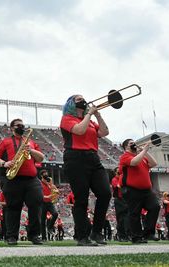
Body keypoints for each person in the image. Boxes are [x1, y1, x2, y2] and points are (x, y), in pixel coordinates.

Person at [60, 95, 111, 246]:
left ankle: (96, 231)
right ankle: (82, 236)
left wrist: (97, 114)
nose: (83, 100)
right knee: (81, 199)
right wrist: (89, 114)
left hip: (93, 158)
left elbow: (104, 132)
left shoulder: (91, 121)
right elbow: (80, 131)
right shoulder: (67, 119)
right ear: (71, 103)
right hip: (75, 158)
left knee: (105, 193)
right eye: (79, 99)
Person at [0, 118, 44, 245]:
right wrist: (5, 163)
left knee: (36, 205)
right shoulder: (6, 141)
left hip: (32, 179)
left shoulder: (30, 142)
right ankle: (11, 236)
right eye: (18, 125)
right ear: (12, 128)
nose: (21, 127)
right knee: (13, 208)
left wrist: (30, 150)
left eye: (23, 125)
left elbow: (41, 158)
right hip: (13, 179)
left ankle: (34, 235)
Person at [119, 139, 159, 244]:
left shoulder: (142, 157)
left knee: (155, 207)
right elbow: (134, 162)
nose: (134, 144)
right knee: (135, 213)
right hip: (132, 190)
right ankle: (136, 237)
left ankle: (148, 233)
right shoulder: (125, 156)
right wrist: (144, 150)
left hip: (146, 190)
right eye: (131, 143)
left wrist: (144, 150)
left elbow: (154, 163)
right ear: (126, 147)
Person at [111, 167, 130, 242]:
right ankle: (121, 235)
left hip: (126, 199)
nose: (120, 172)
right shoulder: (114, 179)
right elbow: (118, 186)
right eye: (118, 171)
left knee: (127, 218)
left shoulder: (123, 178)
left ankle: (127, 234)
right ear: (115, 172)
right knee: (121, 218)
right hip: (119, 200)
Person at [39, 170, 58, 241]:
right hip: (42, 203)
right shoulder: (40, 184)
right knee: (43, 221)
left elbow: (55, 189)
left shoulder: (49, 182)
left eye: (46, 173)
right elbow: (40, 195)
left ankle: (50, 227)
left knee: (55, 214)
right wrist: (48, 196)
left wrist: (52, 186)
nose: (46, 175)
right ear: (41, 176)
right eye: (44, 174)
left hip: (50, 203)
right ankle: (44, 238)